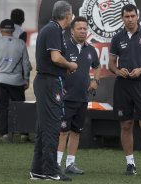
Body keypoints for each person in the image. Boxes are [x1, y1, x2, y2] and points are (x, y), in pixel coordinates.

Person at [108, 4, 141, 177]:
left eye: (132, 16)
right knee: (126, 125)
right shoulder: (117, 38)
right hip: (123, 85)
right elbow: (111, 64)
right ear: (122, 18)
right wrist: (117, 71)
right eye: (127, 16)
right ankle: (130, 164)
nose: (130, 19)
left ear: (137, 16)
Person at [29, 1, 77, 181]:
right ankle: (50, 170)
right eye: (71, 15)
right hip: (48, 81)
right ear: (67, 15)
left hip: (48, 81)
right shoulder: (54, 30)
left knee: (43, 127)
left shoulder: (50, 29)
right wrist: (70, 64)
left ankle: (38, 169)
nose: (71, 17)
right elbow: (56, 57)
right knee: (51, 127)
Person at [56, 16, 101, 175]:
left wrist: (95, 80)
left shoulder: (91, 49)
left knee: (76, 132)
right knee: (62, 132)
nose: (83, 31)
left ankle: (70, 164)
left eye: (84, 28)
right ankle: (56, 164)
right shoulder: (64, 46)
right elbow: (54, 64)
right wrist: (58, 86)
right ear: (72, 30)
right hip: (66, 99)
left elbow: (97, 66)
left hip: (83, 98)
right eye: (79, 28)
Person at [0, 19, 31, 143]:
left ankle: (4, 134)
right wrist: (26, 79)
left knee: (2, 107)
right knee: (20, 107)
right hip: (17, 81)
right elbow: (26, 63)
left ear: (1, 30)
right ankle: (23, 133)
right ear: (13, 30)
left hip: (1, 80)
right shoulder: (21, 43)